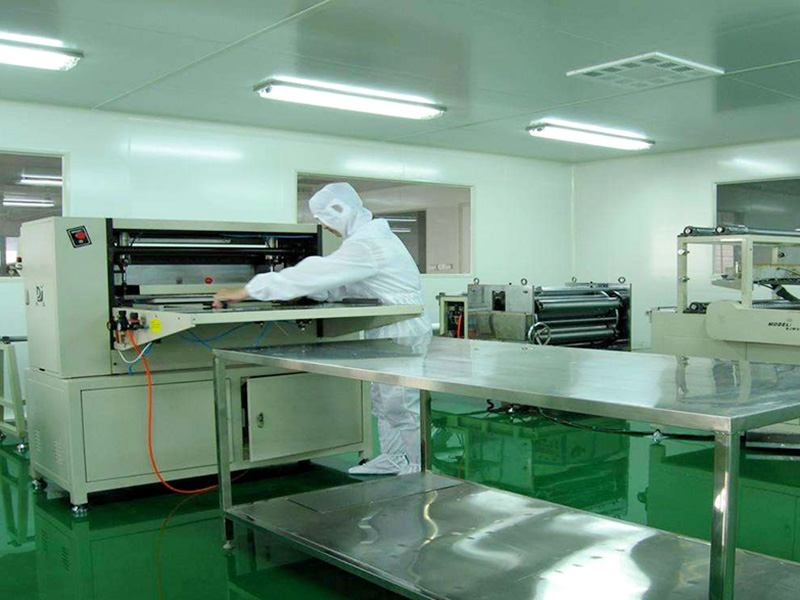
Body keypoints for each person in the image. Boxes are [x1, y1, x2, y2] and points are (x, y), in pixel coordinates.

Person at [213, 183, 431, 475]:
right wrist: (308, 293)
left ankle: (419, 467)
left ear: (340, 210)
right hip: (386, 326)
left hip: (401, 327)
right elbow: (342, 284)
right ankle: (393, 457)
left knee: (400, 402)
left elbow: (317, 271)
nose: (325, 227)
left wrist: (248, 290)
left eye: (325, 220)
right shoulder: (365, 240)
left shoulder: (368, 244)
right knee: (382, 398)